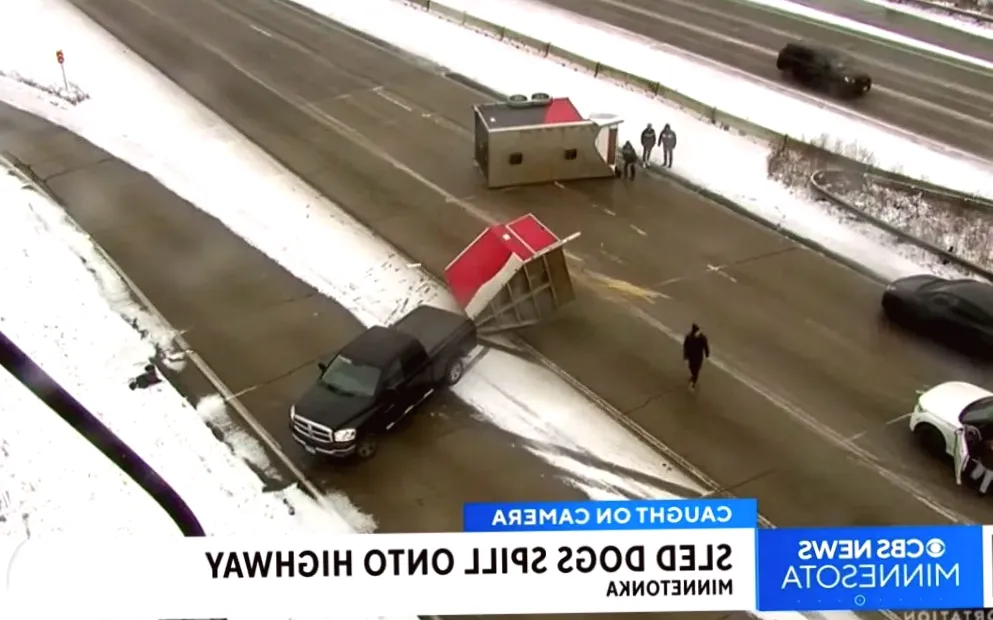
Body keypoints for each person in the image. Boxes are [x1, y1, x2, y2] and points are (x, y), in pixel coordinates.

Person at [682, 323, 710, 391]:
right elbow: (686, 346)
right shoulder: (689, 337)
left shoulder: (701, 338)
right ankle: (693, 378)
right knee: (691, 367)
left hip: (698, 357)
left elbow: (705, 347)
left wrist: (707, 353)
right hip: (692, 356)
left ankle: (693, 382)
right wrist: (686, 355)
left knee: (696, 370)